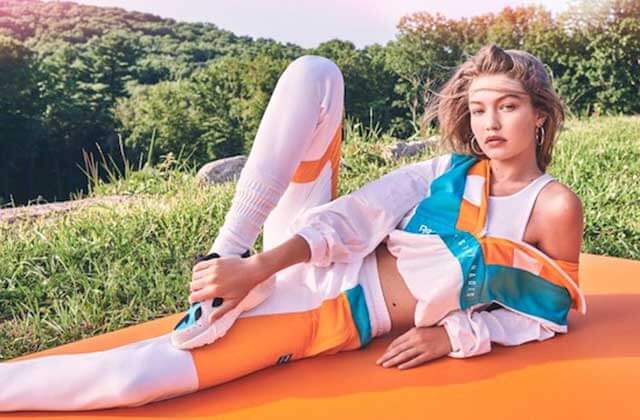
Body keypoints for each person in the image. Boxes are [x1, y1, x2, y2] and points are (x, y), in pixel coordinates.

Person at [0, 44, 585, 412]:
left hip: (330, 307)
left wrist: (452, 336)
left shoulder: (554, 206)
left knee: (131, 381)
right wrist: (251, 263)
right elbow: (355, 216)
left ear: (538, 114)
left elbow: (549, 313)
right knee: (316, 72)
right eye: (479, 108)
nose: (489, 122)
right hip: (296, 253)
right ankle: (222, 255)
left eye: (507, 106)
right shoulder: (444, 171)